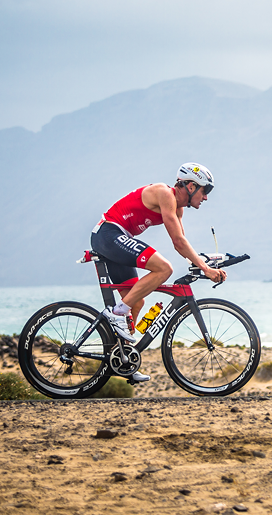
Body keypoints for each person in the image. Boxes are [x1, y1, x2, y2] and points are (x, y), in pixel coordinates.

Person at [90, 162, 227, 382]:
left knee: (136, 302)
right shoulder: (165, 194)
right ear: (191, 186)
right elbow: (178, 241)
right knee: (164, 268)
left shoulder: (178, 208)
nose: (206, 197)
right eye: (205, 190)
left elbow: (182, 245)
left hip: (118, 238)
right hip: (109, 233)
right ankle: (116, 314)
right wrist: (205, 268)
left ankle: (123, 360)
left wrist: (205, 263)